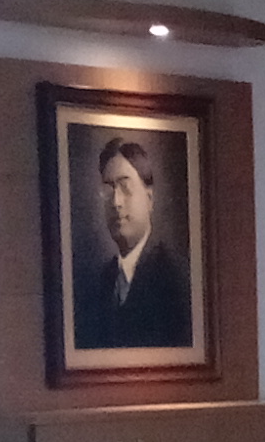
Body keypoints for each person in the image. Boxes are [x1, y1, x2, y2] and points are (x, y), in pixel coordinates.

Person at [71, 133, 192, 351]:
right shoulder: (102, 282)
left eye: (125, 188)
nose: (116, 202)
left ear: (149, 199)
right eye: (108, 190)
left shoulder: (175, 277)